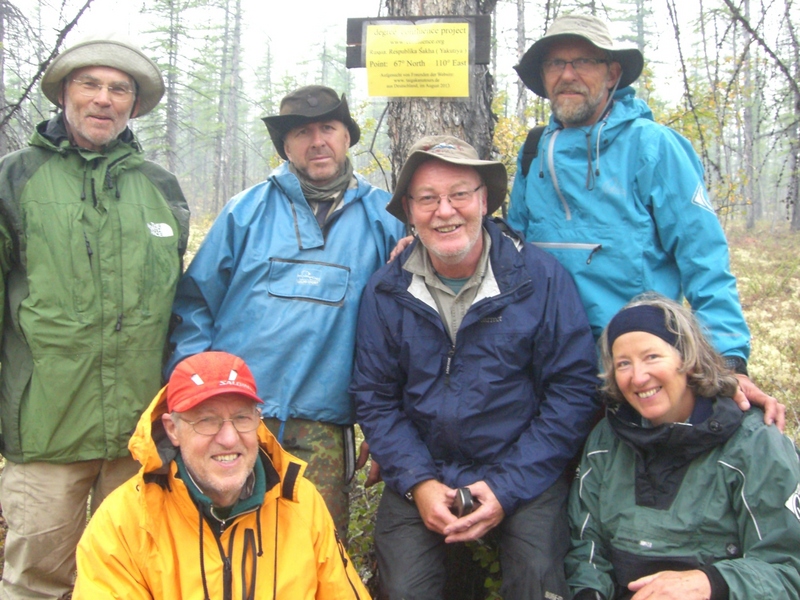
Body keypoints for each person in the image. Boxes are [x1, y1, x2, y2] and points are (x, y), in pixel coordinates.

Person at [350, 135, 600, 599]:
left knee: (538, 579)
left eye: (459, 194)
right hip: (423, 468)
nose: (445, 211)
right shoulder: (386, 291)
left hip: (522, 469)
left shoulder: (539, 279)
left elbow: (572, 392)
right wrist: (419, 484)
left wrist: (506, 487)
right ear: (409, 209)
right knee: (403, 590)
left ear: (484, 199)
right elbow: (375, 398)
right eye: (427, 198)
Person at [508, 14, 782, 426]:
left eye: (582, 61)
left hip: (638, 370)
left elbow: (703, 257)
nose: (567, 74)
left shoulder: (654, 148)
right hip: (550, 368)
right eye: (554, 64)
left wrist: (729, 362)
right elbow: (515, 254)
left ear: (612, 72)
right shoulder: (532, 152)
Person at [167, 84, 405, 539]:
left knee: (312, 545)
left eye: (328, 128)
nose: (317, 141)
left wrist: (386, 418)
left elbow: (401, 329)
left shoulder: (385, 218)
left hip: (325, 422)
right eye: (302, 131)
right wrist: (192, 396)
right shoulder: (246, 211)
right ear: (285, 145)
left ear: (347, 136)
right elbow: (194, 306)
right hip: (232, 416)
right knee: (221, 543)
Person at [0, 33, 189, 599]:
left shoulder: (159, 188)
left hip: (138, 433)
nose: (104, 99)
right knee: (36, 578)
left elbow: (179, 306)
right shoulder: (16, 178)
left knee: (132, 578)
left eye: (119, 89)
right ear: (64, 94)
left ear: (134, 104)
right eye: (91, 85)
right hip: (45, 428)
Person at [73, 351, 370, 599]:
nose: (229, 438)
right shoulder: (124, 523)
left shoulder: (300, 504)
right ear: (172, 429)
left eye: (242, 417)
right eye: (207, 420)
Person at [566, 294, 800, 600]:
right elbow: (587, 549)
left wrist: (711, 583)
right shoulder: (605, 441)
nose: (638, 377)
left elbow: (788, 570)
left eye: (652, 357)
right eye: (623, 363)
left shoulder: (755, 443)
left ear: (687, 359)